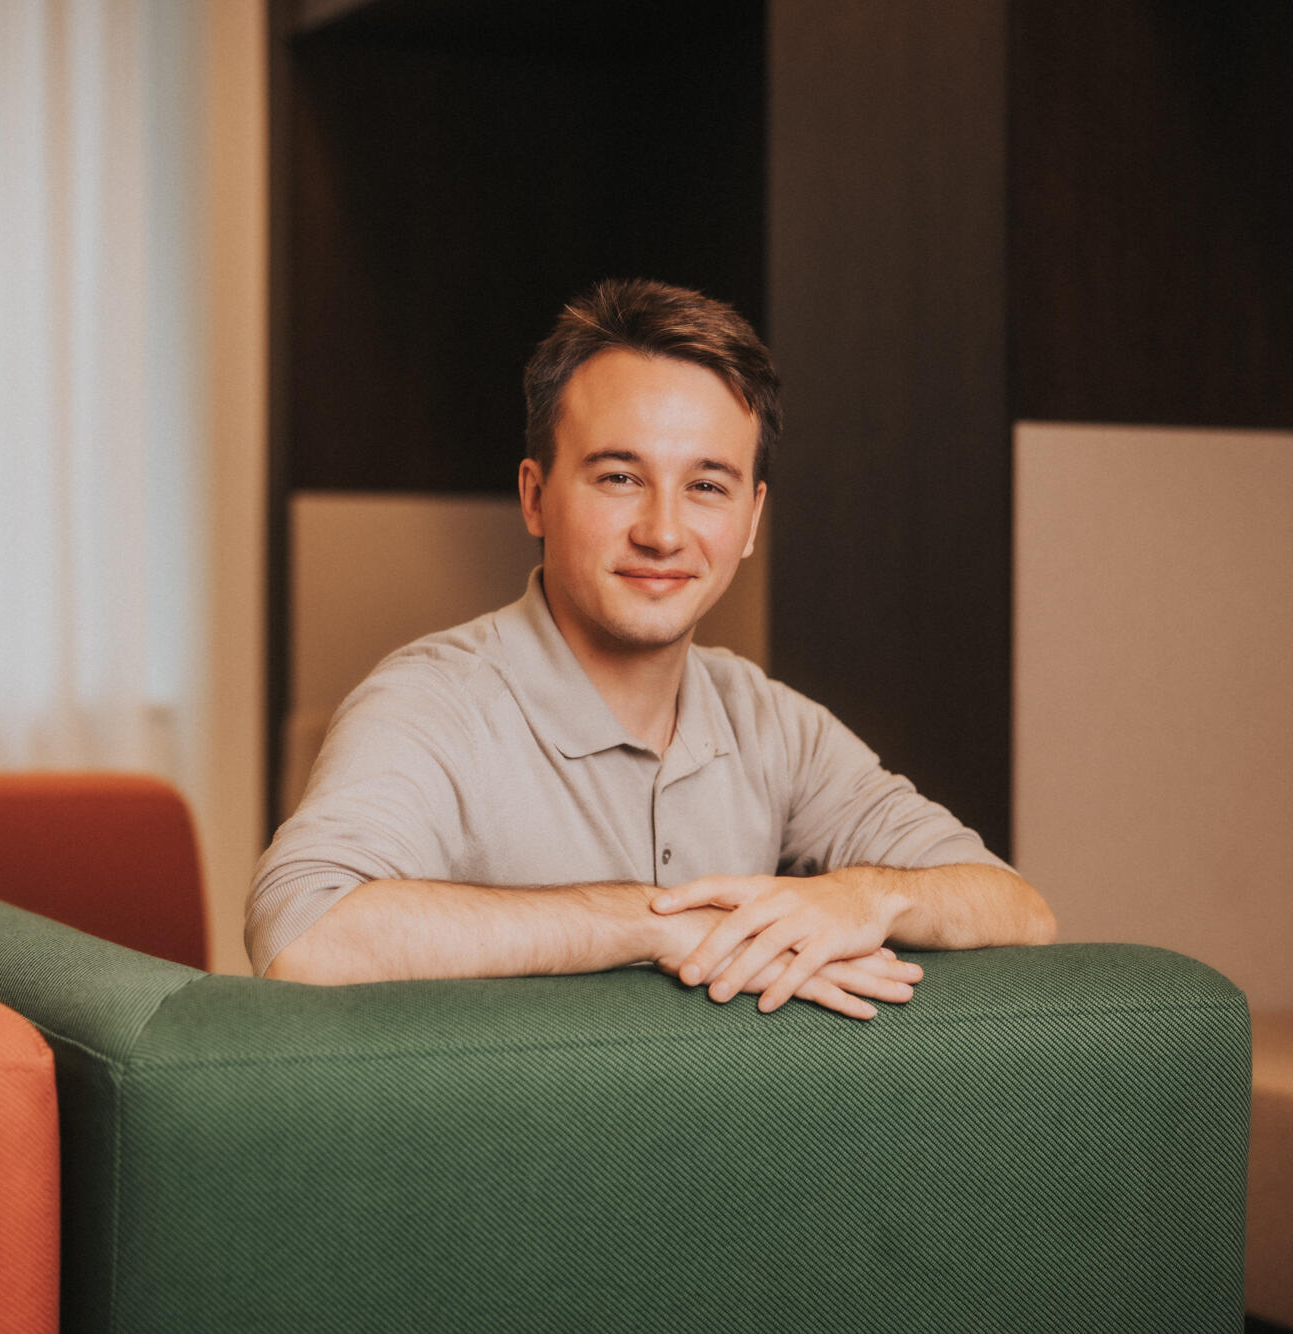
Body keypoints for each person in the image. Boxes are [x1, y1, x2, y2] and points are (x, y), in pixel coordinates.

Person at [247, 278, 1054, 1018]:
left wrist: (862, 899)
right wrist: (658, 922)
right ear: (535, 497)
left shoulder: (771, 722)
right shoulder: (431, 702)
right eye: (618, 477)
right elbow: (302, 935)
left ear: (750, 521)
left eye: (707, 486)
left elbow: (1019, 909)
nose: (663, 532)